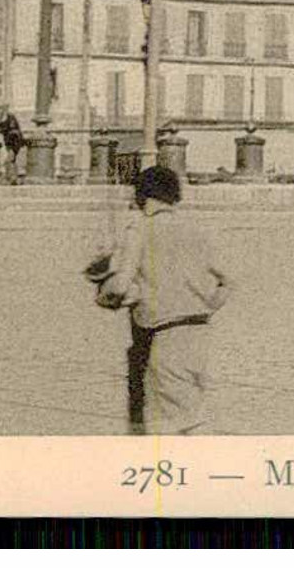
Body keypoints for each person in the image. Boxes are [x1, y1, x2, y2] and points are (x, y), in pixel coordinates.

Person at [96, 166, 232, 434]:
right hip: (201, 333)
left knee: (168, 428)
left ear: (142, 196)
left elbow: (122, 285)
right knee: (191, 414)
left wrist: (105, 295)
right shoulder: (197, 230)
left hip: (165, 336)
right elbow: (230, 279)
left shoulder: (141, 228)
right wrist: (208, 306)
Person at [0, 104, 25, 185]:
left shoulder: (10, 117)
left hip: (14, 140)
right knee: (11, 160)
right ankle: (12, 177)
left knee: (9, 159)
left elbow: (11, 129)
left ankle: (12, 177)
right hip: (8, 140)